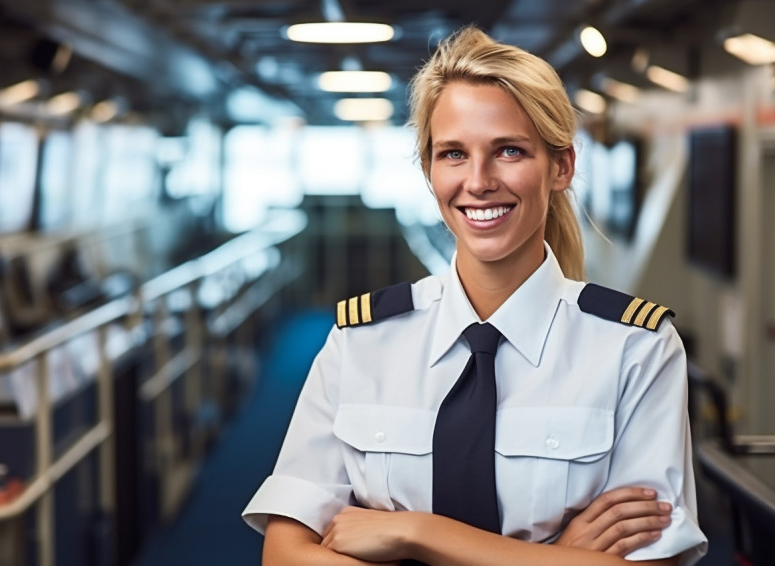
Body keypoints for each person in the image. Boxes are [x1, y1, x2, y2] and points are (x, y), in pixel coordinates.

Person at [243, 26, 707, 565]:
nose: (479, 181)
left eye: (509, 150)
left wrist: (417, 535)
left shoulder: (636, 349)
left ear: (561, 166)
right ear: (429, 171)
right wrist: (554, 556)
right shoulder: (362, 341)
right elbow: (283, 553)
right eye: (454, 154)